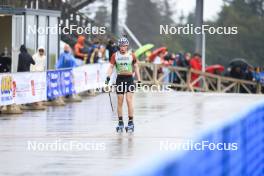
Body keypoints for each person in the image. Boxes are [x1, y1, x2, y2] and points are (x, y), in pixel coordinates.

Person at [105, 37, 141, 133]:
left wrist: (139, 79)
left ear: (127, 46)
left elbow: (136, 67)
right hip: (120, 79)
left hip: (129, 79)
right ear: (119, 46)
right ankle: (120, 122)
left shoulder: (131, 55)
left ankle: (130, 122)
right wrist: (108, 77)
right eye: (121, 46)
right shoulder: (115, 55)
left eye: (124, 46)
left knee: (129, 101)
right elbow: (111, 67)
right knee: (120, 102)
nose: (122, 48)